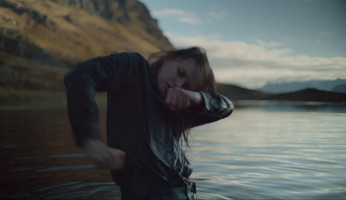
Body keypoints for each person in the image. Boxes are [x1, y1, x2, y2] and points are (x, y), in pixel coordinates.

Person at [64, 47, 233, 199]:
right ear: (167, 58)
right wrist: (90, 139)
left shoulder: (177, 107)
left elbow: (226, 107)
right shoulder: (133, 68)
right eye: (180, 72)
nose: (178, 84)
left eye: (187, 86)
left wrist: (195, 98)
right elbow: (81, 75)